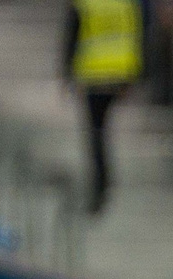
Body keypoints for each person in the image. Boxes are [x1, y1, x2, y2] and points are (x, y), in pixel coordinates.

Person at [62, 0, 143, 214]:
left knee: (96, 132)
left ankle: (101, 182)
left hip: (94, 76)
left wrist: (67, 74)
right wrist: (131, 77)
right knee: (102, 129)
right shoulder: (125, 4)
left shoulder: (84, 4)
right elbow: (135, 36)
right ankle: (105, 179)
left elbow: (71, 38)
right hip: (118, 74)